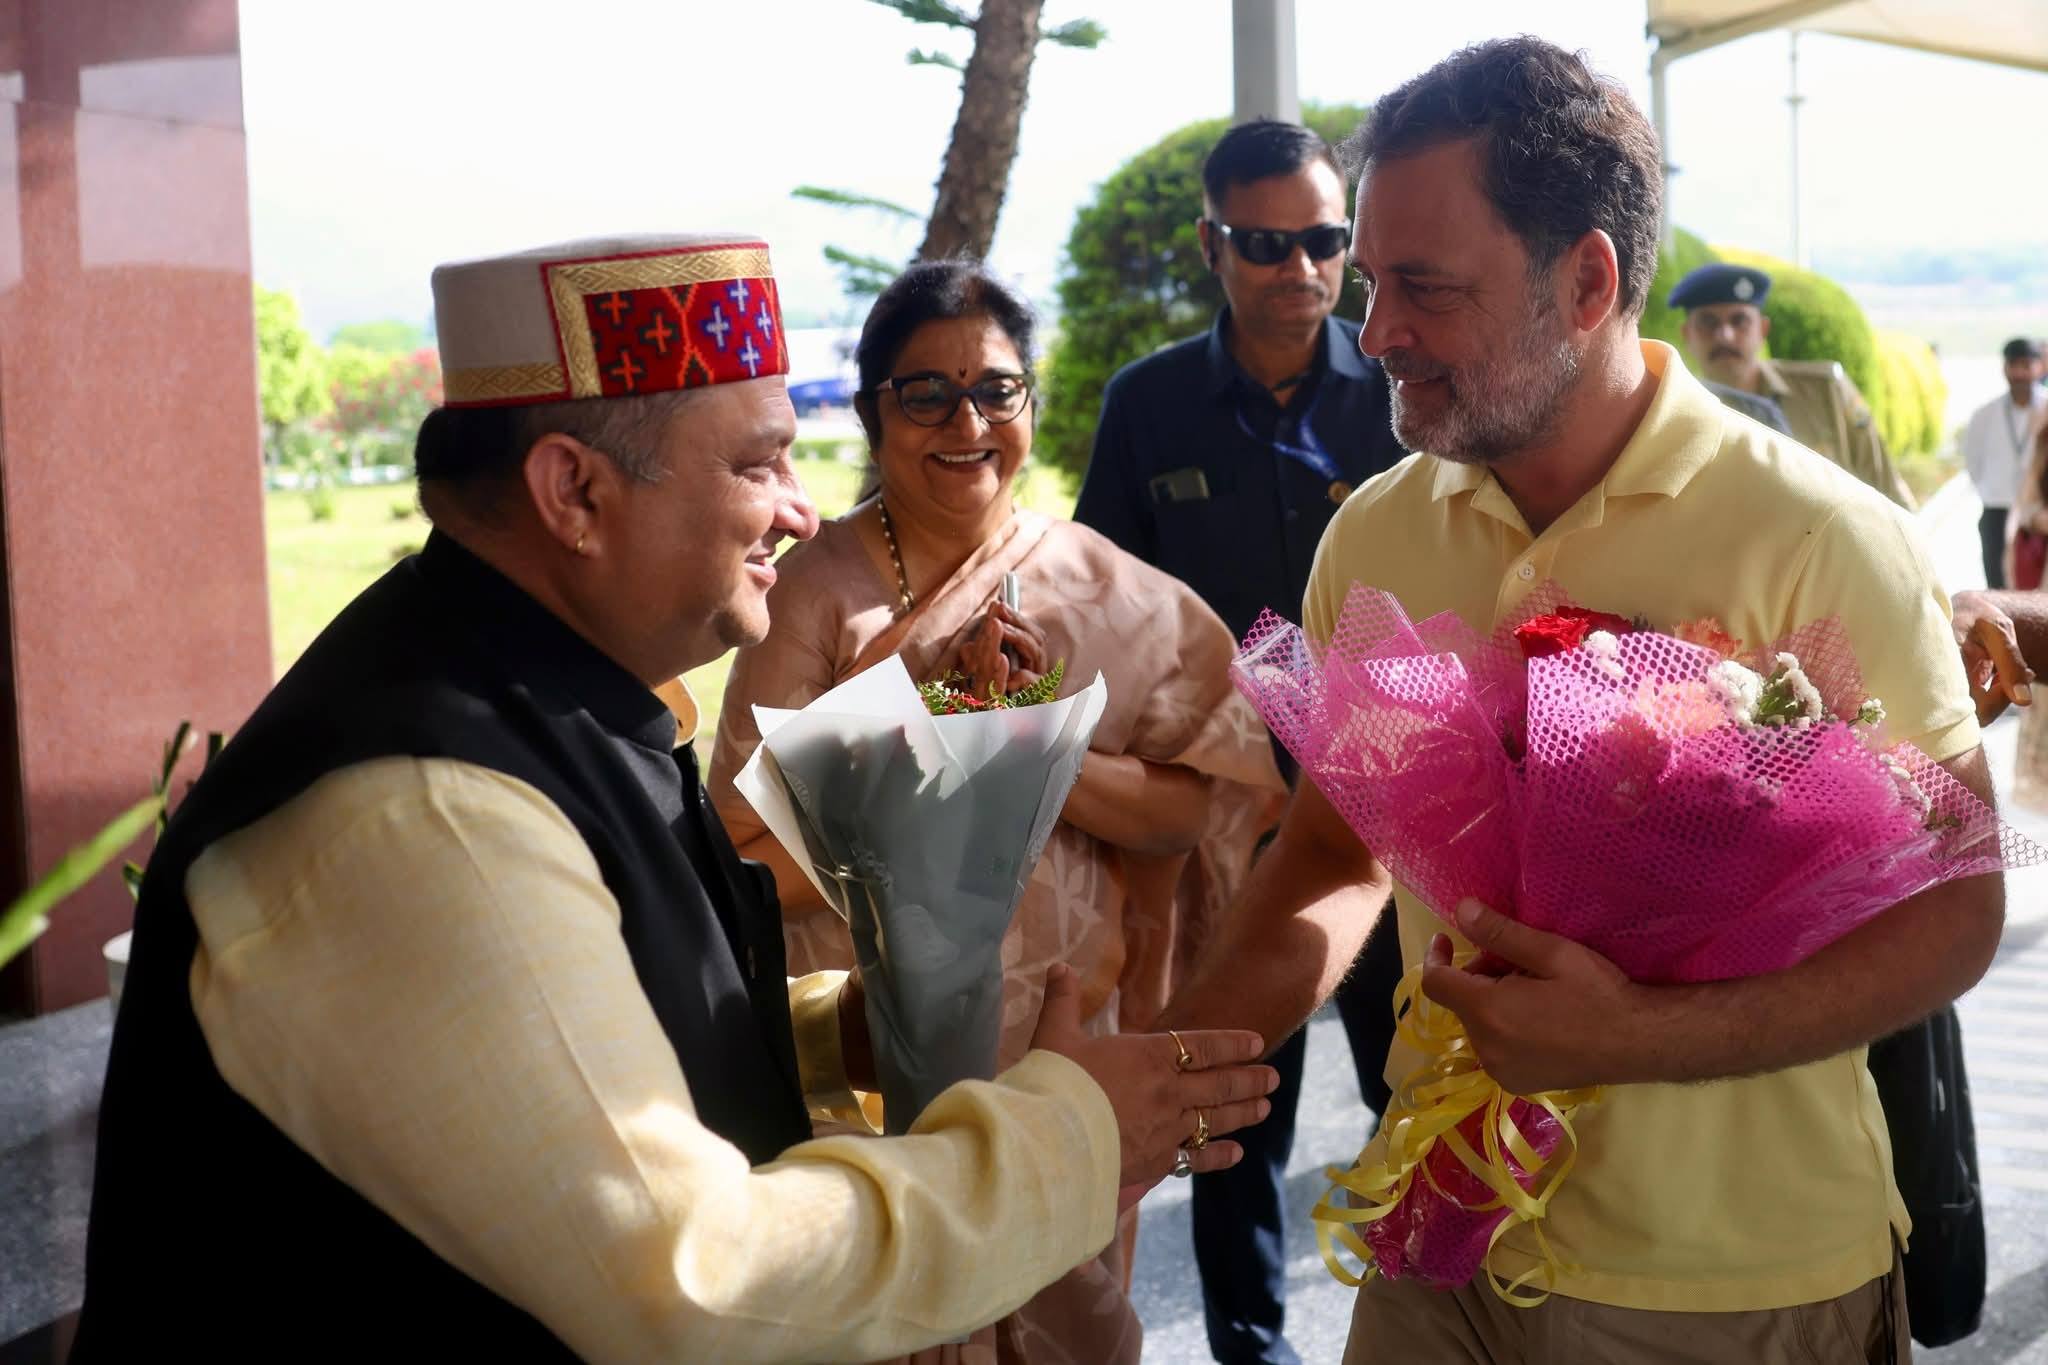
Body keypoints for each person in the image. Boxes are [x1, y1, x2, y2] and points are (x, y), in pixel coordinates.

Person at [73, 234, 1280, 1364]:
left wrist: (863, 1035)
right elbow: (689, 1280)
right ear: (573, 493)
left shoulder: (562, 705)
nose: (799, 512)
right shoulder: (428, 811)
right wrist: (1066, 1135)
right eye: (758, 464)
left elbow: (615, 1019)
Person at [1157, 40, 2001, 1362]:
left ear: (1589, 282)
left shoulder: (1824, 540)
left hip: (1731, 1283)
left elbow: (1952, 914)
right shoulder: (1374, 536)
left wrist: (1645, 1037)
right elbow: (1331, 853)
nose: (1371, 333)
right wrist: (1166, 1076)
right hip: (1441, 1234)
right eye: (1371, 282)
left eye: (1425, 288)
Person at [707, 257, 1289, 1364]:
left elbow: (1192, 817)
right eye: (926, 394)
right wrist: (934, 724)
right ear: (875, 411)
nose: (966, 423)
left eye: (995, 390)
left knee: (1068, 1323)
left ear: (1029, 399)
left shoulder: (1108, 588)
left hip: (1061, 1051)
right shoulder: (813, 593)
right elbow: (743, 860)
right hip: (874, 1064)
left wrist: (1029, 736)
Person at [1071, 117, 1406, 1365]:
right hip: (1228, 831)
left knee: (1416, 1090)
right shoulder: (1148, 405)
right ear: (1211, 245)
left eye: (1323, 239)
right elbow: (1104, 607)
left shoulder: (1401, 389)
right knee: (1229, 1109)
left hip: (1392, 823)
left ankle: (1423, 1326)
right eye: (1264, 244)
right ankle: (1250, 1347)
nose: (1298, 268)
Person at [1670, 261, 1916, 507]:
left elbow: (1886, 486)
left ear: (1763, 329)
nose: (1725, 335)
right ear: (1687, 334)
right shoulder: (1678, 415)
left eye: (1739, 321)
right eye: (1708, 322)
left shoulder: (1825, 390)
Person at [1959, 337, 2048, 588]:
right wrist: (1990, 491)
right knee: (1997, 587)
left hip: (2038, 517)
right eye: (2013, 365)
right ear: (2004, 368)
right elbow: (1973, 461)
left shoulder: (2046, 409)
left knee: (2036, 595)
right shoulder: (1984, 414)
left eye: (2026, 365)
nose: (2019, 373)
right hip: (1996, 510)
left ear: (2039, 367)